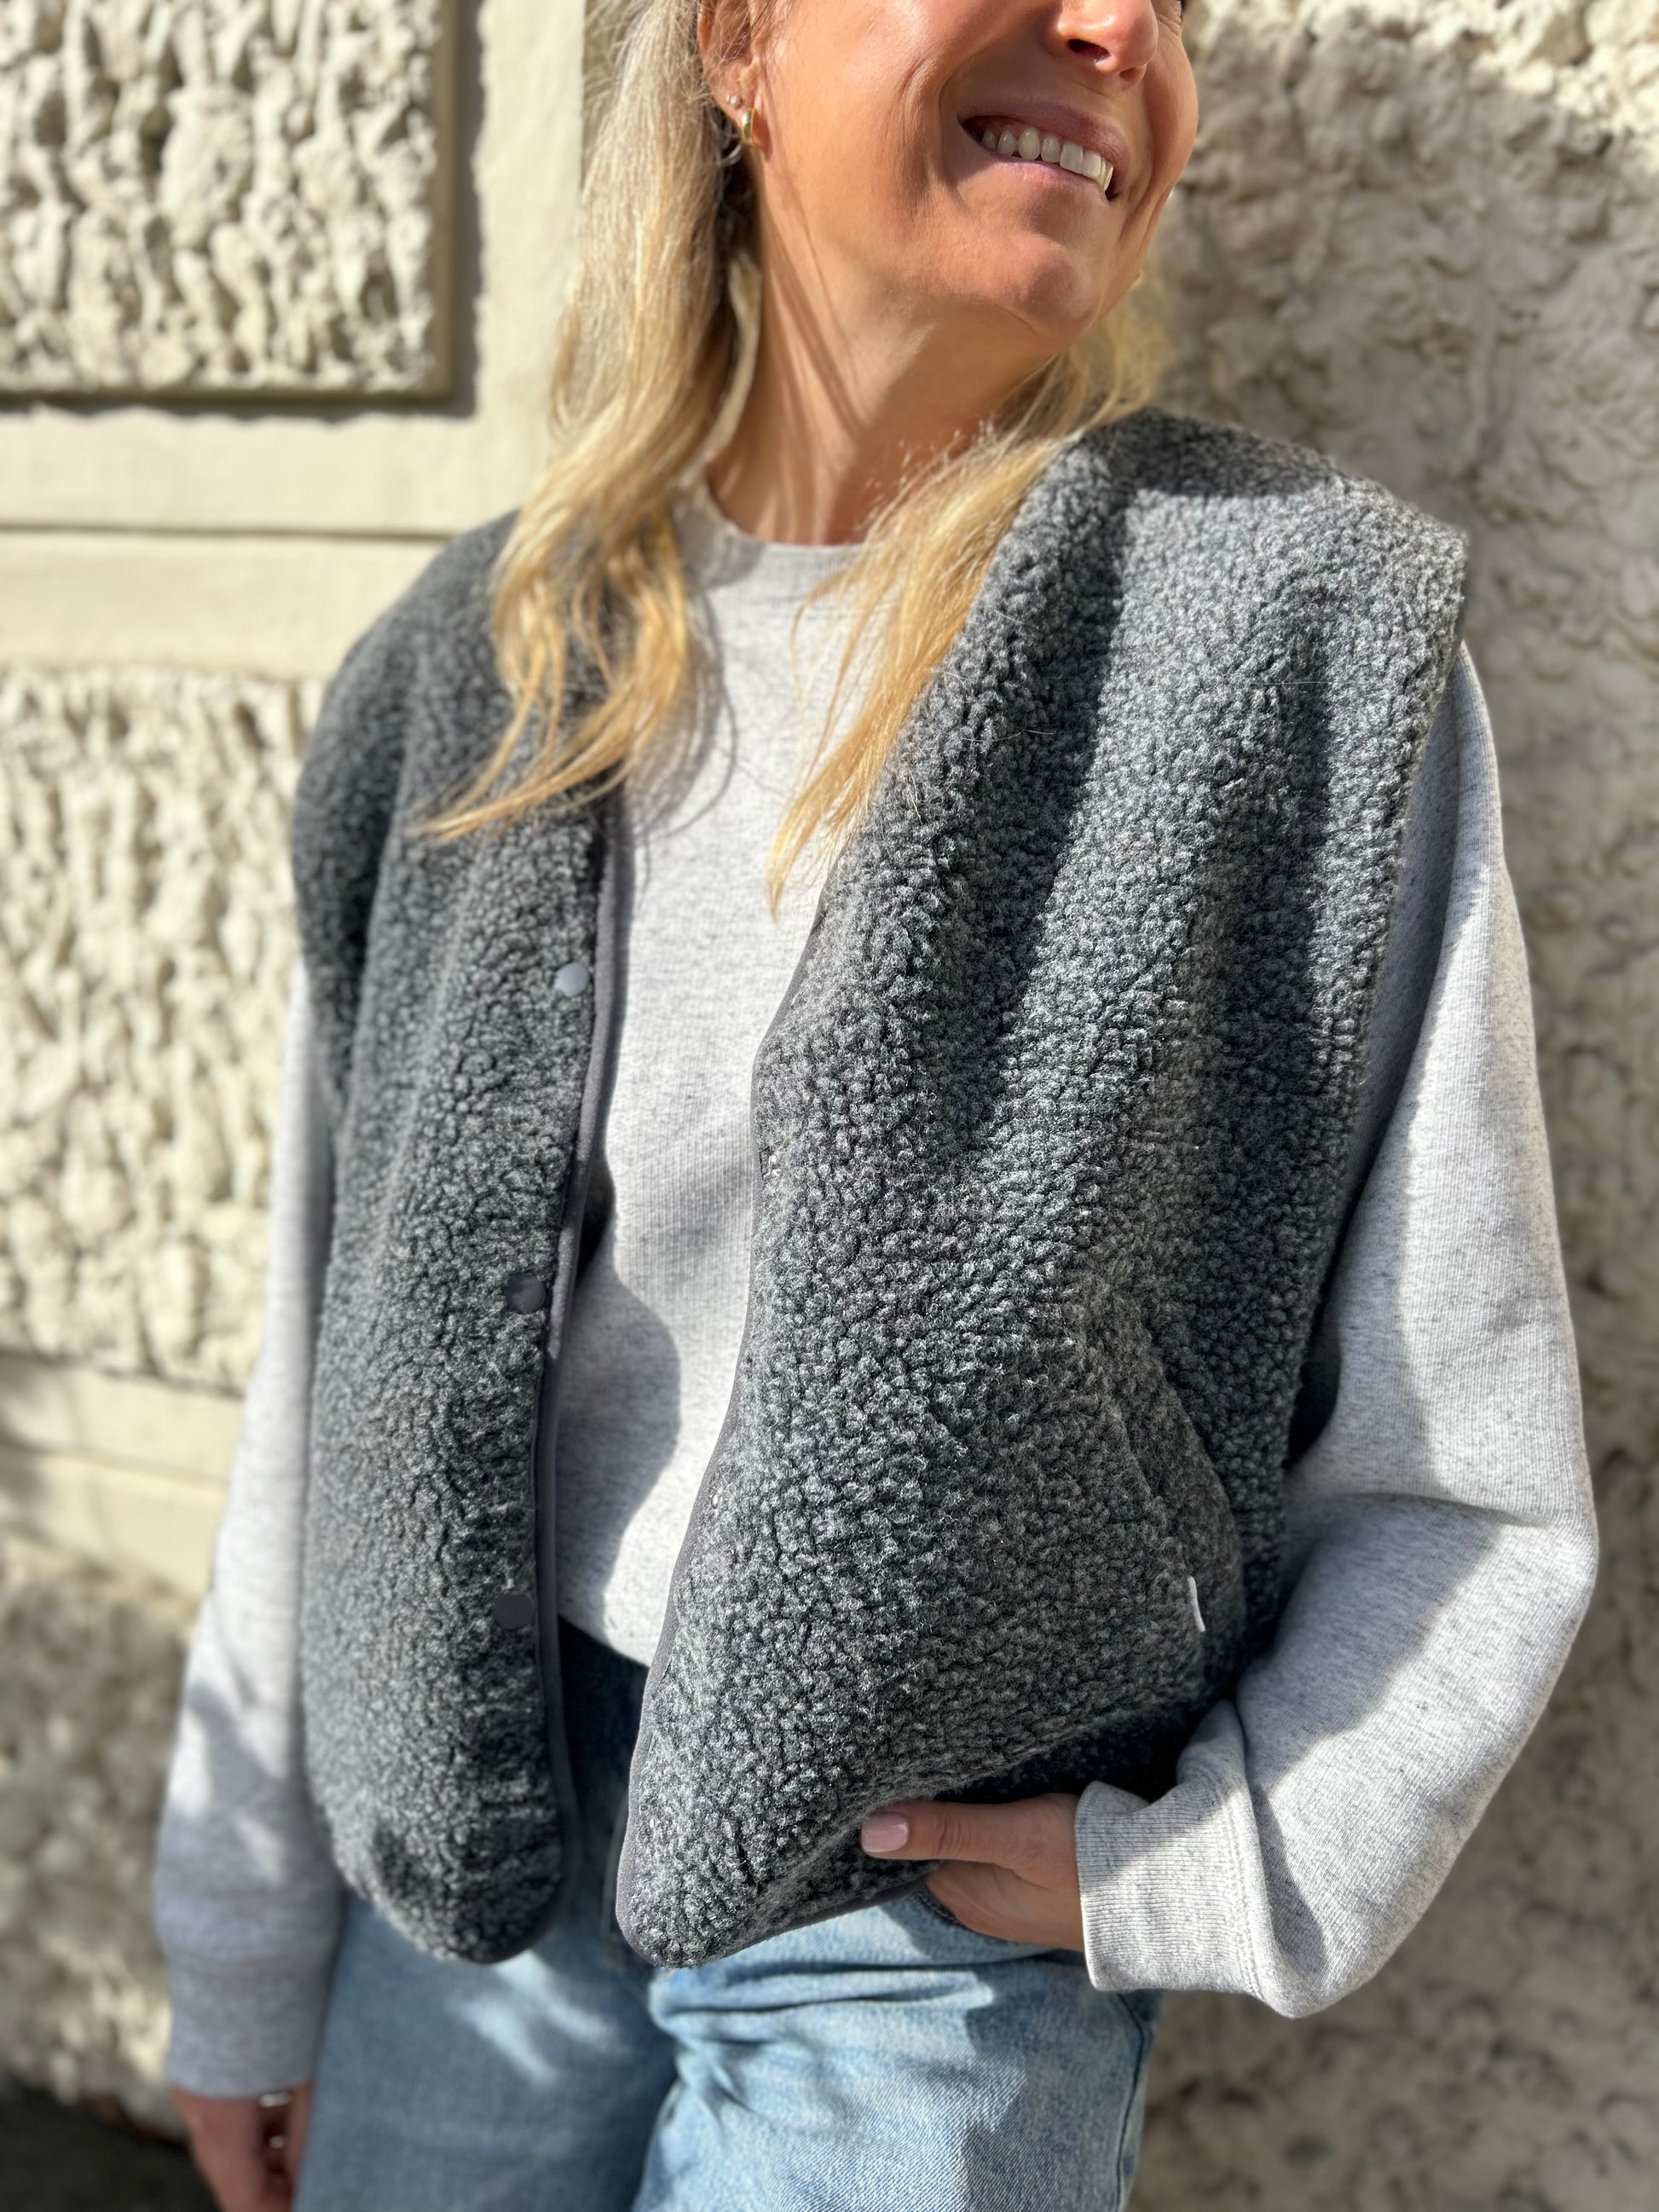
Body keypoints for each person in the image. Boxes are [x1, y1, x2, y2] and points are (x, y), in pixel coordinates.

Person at [153, 0, 1598, 2206]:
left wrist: (1223, 1861)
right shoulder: (476, 664)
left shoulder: (1283, 642)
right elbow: (331, 1368)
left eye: (1172, 3)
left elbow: (1459, 1456)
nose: (1120, 33)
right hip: (472, 1864)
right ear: (738, 39)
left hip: (922, 1933)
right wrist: (245, 1944)